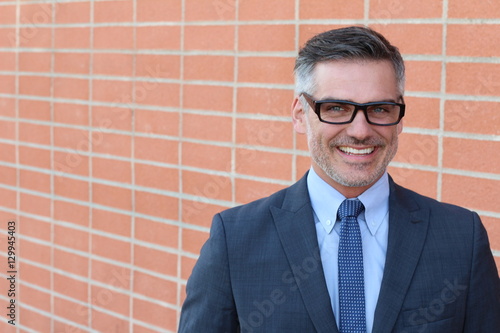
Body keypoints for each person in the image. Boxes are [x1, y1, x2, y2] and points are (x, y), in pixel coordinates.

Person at [178, 26, 500, 333]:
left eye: (380, 109)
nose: (360, 131)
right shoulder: (234, 241)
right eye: (335, 108)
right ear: (300, 115)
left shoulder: (462, 240)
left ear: (399, 117)